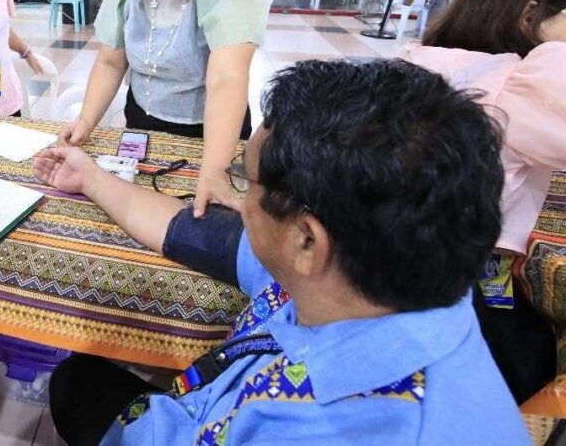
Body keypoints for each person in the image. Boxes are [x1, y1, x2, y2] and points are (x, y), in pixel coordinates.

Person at [37, 59, 527, 445]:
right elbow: (185, 230)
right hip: (195, 414)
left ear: (308, 240)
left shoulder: (335, 428)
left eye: (245, 183)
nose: (238, 204)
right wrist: (90, 178)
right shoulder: (378, 270)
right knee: (78, 384)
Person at [60, 0, 279, 217]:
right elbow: (110, 62)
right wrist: (86, 121)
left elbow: (226, 78)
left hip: (210, 133)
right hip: (142, 120)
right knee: (136, 212)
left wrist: (215, 169)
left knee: (200, 218)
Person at [403, 0, 566, 403]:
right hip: (460, 283)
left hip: (390, 260)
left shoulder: (422, 58)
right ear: (531, 15)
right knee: (529, 356)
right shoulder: (524, 82)